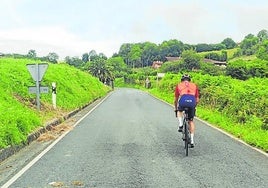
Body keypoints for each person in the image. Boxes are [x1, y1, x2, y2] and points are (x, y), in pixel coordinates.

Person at [174, 74, 200, 148]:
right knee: (191, 121)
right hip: (192, 101)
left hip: (183, 100)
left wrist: (176, 108)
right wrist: (194, 106)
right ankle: (192, 140)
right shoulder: (194, 85)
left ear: (182, 80)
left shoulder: (179, 85)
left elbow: (176, 99)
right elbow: (197, 99)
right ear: (189, 80)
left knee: (179, 111)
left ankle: (181, 124)